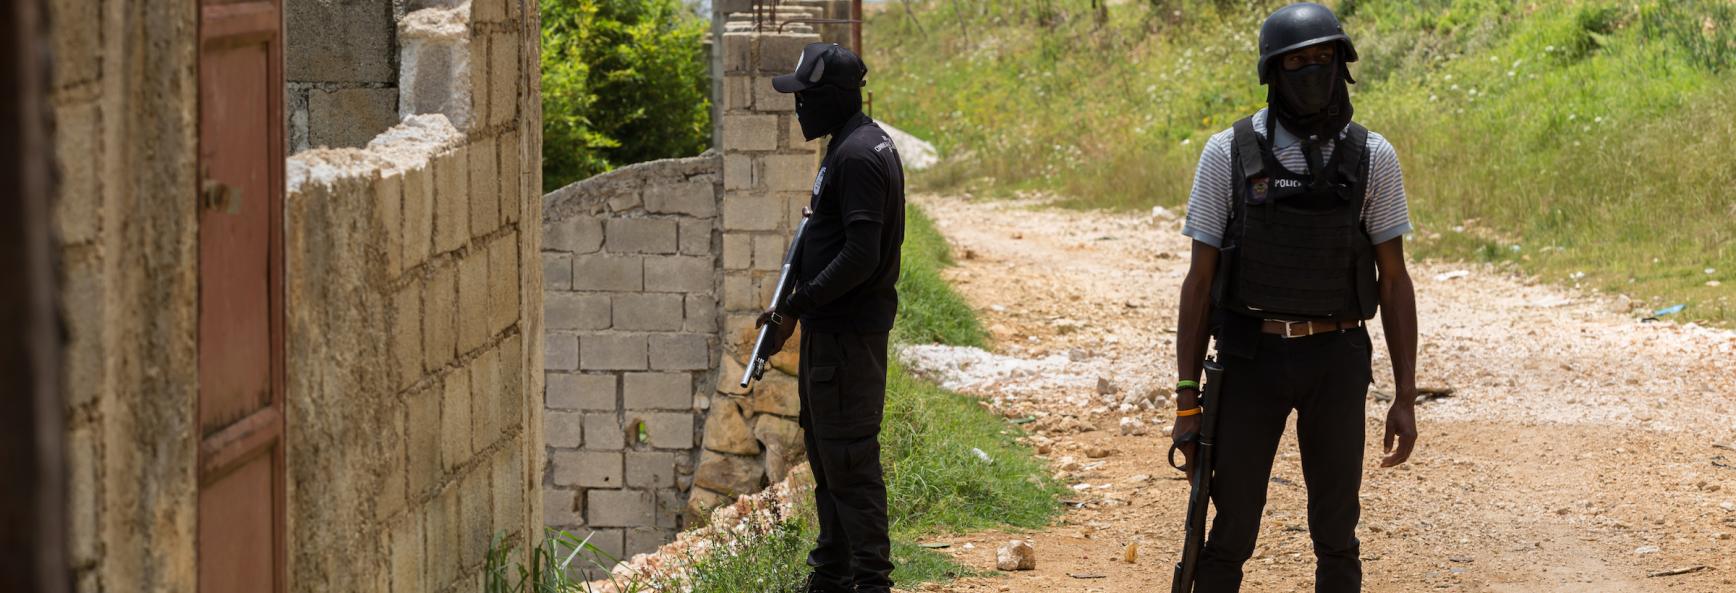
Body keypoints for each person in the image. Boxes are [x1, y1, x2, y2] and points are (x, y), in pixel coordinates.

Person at [1169, 4, 1420, 592]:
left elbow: (1394, 280)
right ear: (1273, 74)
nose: (1312, 72)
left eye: (1323, 58)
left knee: (1337, 530)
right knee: (1230, 528)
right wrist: (1186, 400)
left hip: (1336, 358)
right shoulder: (1228, 152)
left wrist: (1405, 395)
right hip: (1248, 359)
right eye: (1296, 63)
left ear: (1342, 64)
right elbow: (1199, 283)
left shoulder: (1373, 156)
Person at [756, 42, 907, 593]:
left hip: (847, 335)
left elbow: (861, 255)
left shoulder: (859, 155)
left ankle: (871, 582)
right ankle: (831, 577)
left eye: (807, 96)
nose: (799, 107)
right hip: (834, 332)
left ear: (837, 97)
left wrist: (797, 305)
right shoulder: (850, 143)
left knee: (849, 461)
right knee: (826, 457)